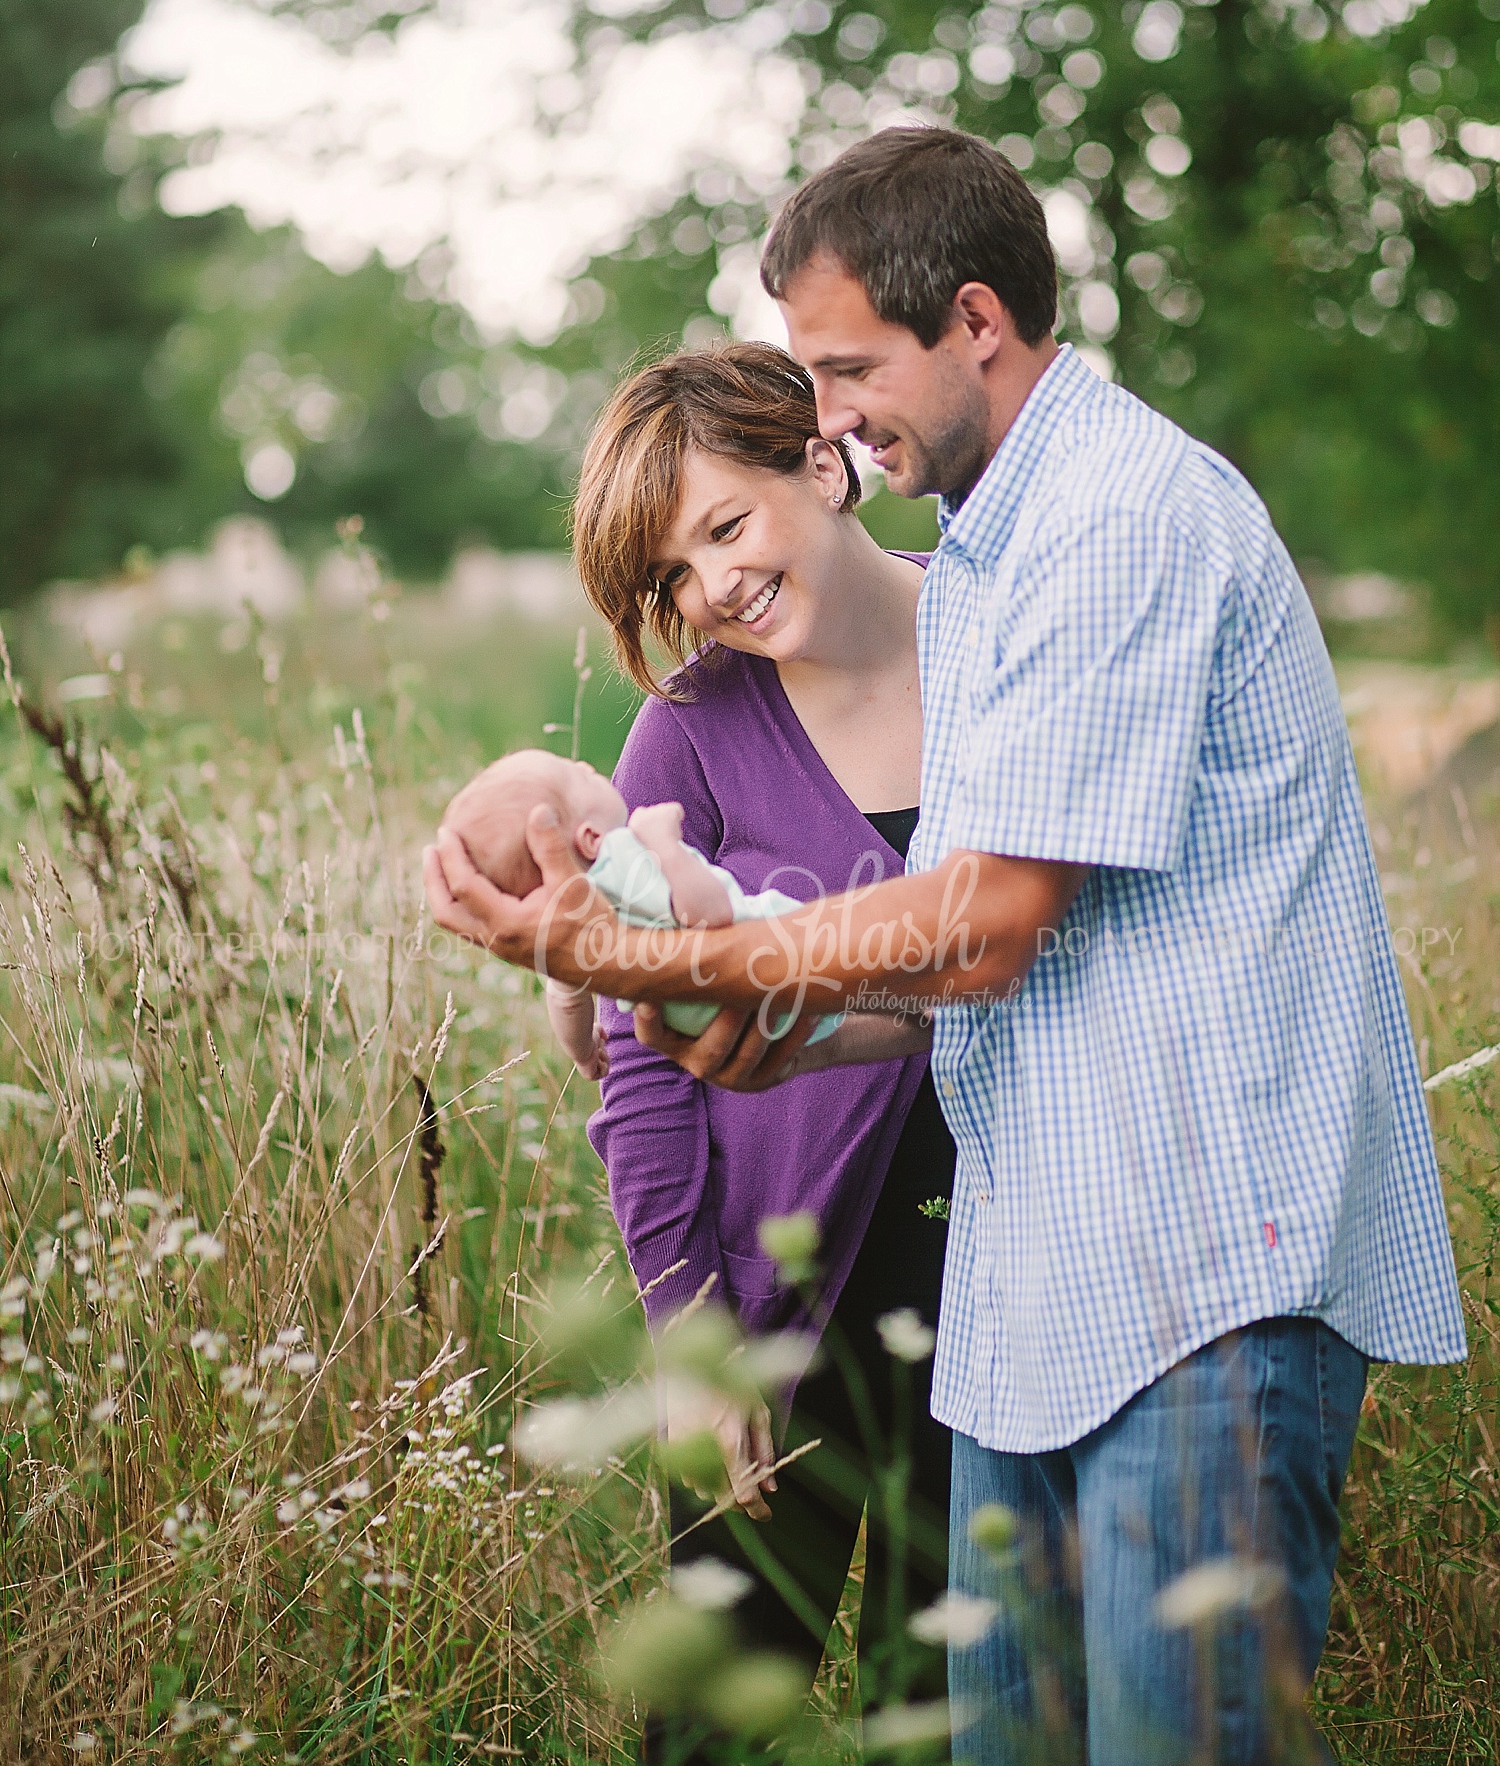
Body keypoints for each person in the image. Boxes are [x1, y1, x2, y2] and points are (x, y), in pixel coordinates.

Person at [427, 126, 1464, 1765]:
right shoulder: (980, 577)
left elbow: (984, 927)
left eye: (843, 371)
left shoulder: (1102, 527)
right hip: (1016, 1285)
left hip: (1190, 1261)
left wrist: (691, 967)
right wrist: (674, 985)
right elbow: (969, 987)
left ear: (974, 320)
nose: (824, 410)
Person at [529, 345, 956, 1727]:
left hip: (1010, 1293)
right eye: (671, 573)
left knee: (941, 1696)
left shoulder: (1005, 645)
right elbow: (641, 1078)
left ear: (824, 461)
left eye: (724, 524)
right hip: (774, 1313)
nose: (710, 586)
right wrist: (690, 1341)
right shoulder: (691, 732)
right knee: (712, 1720)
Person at [439, 746, 842, 1078]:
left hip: (722, 1032)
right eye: (578, 777)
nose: (585, 764)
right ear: (591, 838)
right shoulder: (623, 859)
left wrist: (584, 1053)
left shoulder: (567, 931)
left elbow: (565, 1002)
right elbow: (713, 916)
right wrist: (663, 843)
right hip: (779, 970)